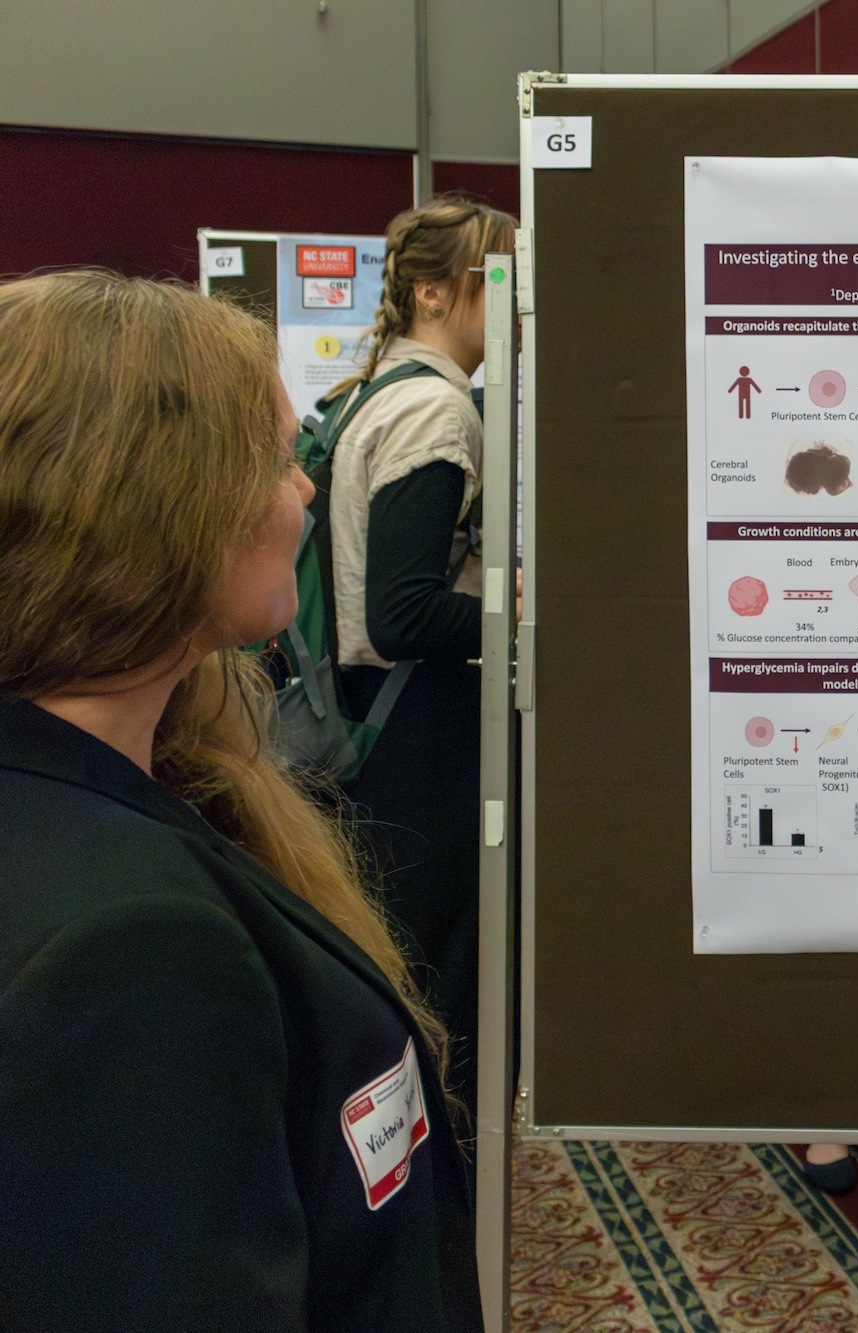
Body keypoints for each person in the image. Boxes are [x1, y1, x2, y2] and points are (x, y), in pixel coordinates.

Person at [0, 271, 480, 1329]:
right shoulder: (133, 945)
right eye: (274, 460)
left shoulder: (141, 779)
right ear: (149, 501)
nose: (303, 489)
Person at [330, 195, 515, 1115]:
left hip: (378, 719)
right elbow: (403, 613)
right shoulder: (434, 413)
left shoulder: (373, 393)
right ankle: (448, 1179)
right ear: (436, 293)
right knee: (439, 974)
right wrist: (522, 621)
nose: (517, 300)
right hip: (414, 728)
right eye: (500, 277)